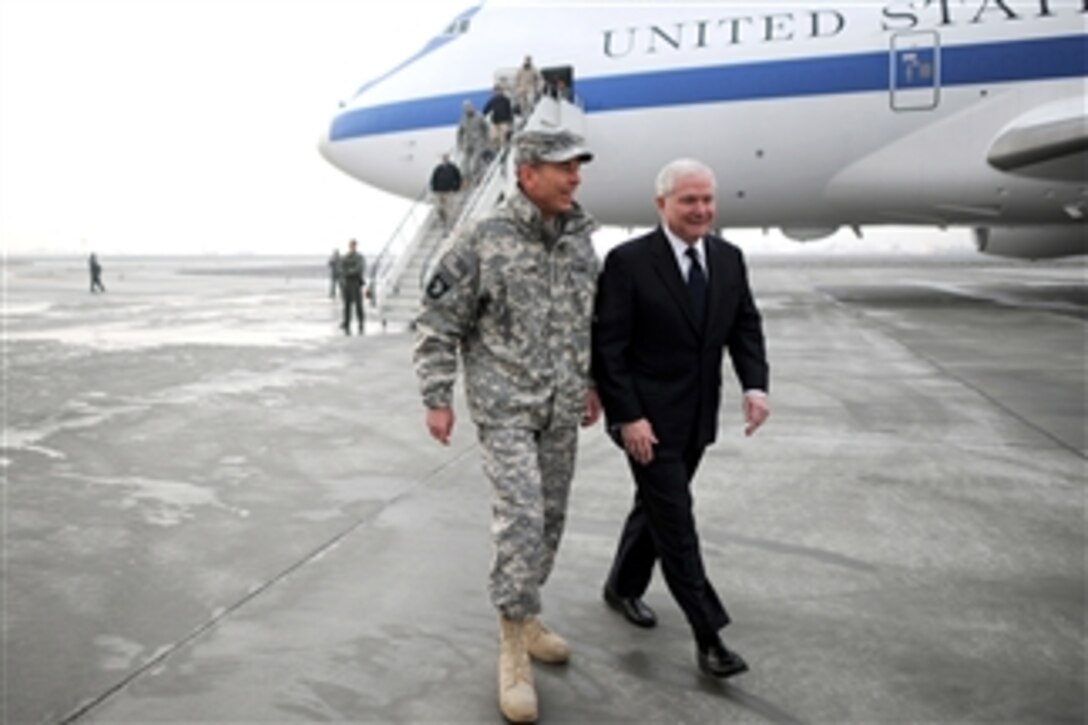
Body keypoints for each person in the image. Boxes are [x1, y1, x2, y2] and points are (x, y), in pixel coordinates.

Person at [414, 129, 599, 723]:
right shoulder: (481, 240)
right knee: (521, 520)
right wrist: (436, 397)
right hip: (505, 408)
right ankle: (512, 648)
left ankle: (528, 613)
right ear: (527, 174)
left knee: (550, 522)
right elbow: (438, 323)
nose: (574, 178)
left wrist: (591, 382)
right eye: (562, 168)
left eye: (577, 168)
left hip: (561, 407)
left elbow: (585, 322)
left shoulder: (578, 242)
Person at [592, 158, 770, 680]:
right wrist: (628, 417)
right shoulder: (628, 262)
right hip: (644, 421)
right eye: (688, 200)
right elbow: (610, 347)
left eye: (707, 200)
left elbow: (745, 327)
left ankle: (621, 585)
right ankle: (708, 636)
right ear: (662, 204)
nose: (701, 210)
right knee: (676, 521)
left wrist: (755, 385)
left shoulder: (729, 259)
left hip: (695, 418)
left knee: (654, 508)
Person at [456, 100, 489, 183]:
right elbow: (460, 132)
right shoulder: (463, 119)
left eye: (469, 109)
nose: (467, 111)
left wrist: (486, 139)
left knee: (476, 161)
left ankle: (479, 176)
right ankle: (466, 178)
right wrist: (460, 143)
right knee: (465, 161)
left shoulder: (479, 116)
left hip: (478, 141)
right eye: (466, 110)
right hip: (468, 142)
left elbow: (486, 128)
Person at [429, 154, 463, 232]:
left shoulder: (453, 168)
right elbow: (434, 178)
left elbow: (458, 177)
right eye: (444, 158)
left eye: (446, 158)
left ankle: (449, 224)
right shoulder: (438, 168)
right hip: (439, 192)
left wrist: (456, 188)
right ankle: (444, 220)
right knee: (439, 208)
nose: (445, 159)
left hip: (449, 191)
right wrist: (434, 188)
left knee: (449, 208)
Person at [339, 239, 366, 335]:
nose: (352, 247)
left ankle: (361, 323)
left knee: (359, 305)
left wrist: (349, 271)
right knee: (346, 306)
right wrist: (349, 271)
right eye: (351, 245)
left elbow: (359, 268)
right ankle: (346, 323)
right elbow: (341, 269)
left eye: (354, 245)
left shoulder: (359, 257)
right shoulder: (345, 257)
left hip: (356, 283)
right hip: (347, 283)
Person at [482, 84, 514, 149]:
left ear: (501, 91)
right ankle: (496, 148)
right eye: (495, 91)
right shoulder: (492, 101)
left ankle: (504, 147)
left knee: (504, 135)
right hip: (495, 121)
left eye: (498, 90)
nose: (497, 92)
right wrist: (483, 115)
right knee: (494, 137)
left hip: (504, 121)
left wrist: (510, 120)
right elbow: (486, 110)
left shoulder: (506, 100)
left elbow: (509, 110)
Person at [514, 55, 542, 120]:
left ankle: (531, 116)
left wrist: (539, 88)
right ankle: (524, 118)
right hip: (521, 89)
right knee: (522, 105)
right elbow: (516, 80)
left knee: (530, 101)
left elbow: (540, 79)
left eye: (529, 61)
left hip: (530, 88)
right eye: (526, 61)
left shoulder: (534, 70)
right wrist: (517, 89)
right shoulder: (520, 70)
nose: (527, 62)